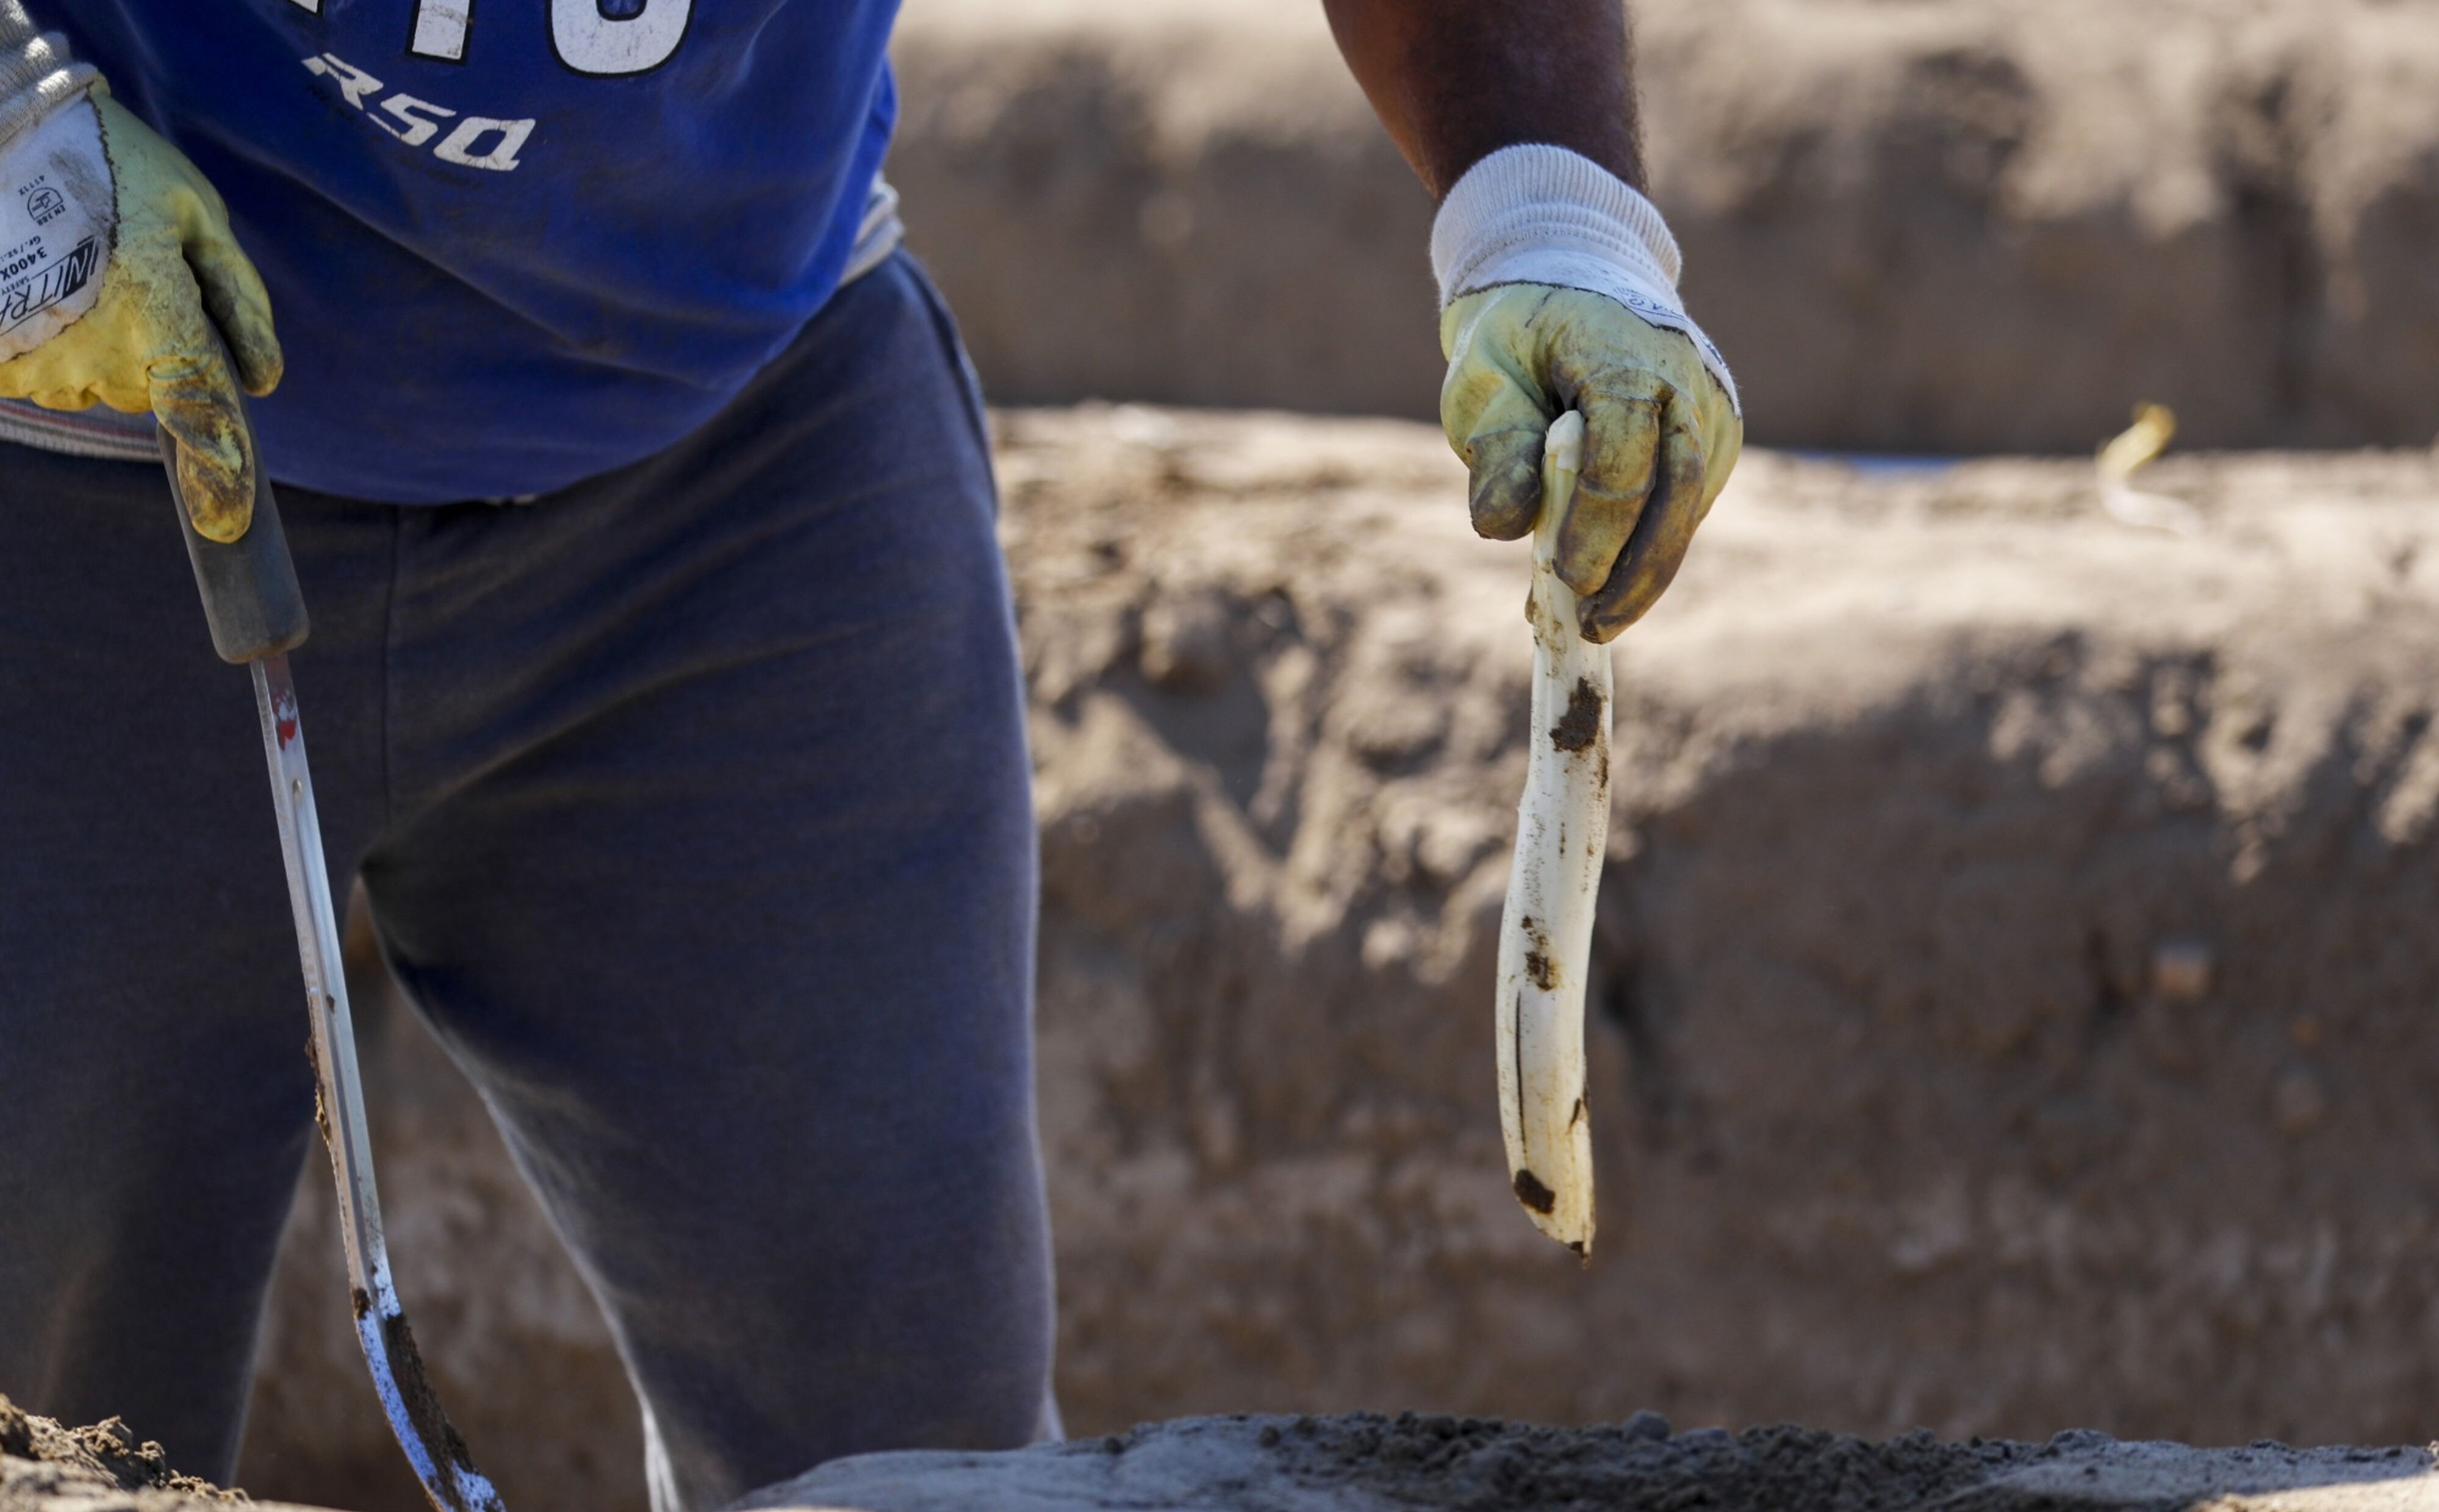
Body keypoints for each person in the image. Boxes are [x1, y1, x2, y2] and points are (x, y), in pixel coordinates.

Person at [0, 0, 1741, 1508]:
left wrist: (1548, 210)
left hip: (733, 484)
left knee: (917, 1438)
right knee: (43, 1408)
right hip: (70, 456)